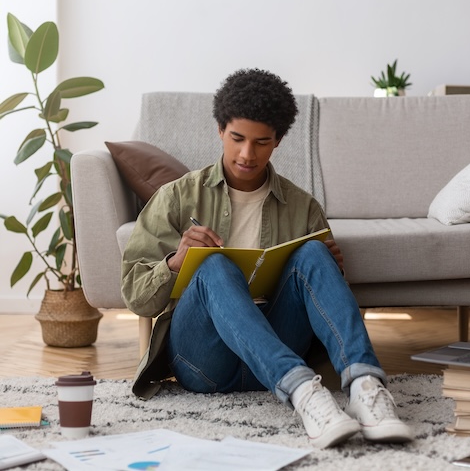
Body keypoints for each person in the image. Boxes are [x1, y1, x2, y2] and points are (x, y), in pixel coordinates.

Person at [121, 68, 413, 449]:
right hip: (205, 363)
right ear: (220, 130)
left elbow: (322, 302)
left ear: (277, 141)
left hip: (279, 343)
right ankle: (307, 395)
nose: (247, 154)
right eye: (237, 138)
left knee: (312, 251)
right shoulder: (178, 197)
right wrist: (177, 262)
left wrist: (328, 270)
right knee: (213, 265)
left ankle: (365, 388)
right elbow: (135, 296)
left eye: (261, 142)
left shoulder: (303, 207)